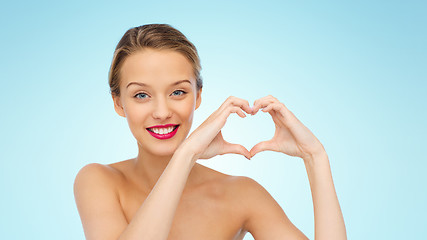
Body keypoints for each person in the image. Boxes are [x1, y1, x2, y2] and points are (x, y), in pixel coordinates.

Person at [73, 23, 347, 240]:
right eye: (141, 95)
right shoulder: (99, 181)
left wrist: (315, 157)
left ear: (198, 96)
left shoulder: (241, 194)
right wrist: (186, 154)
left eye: (178, 92)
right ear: (119, 103)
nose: (161, 112)